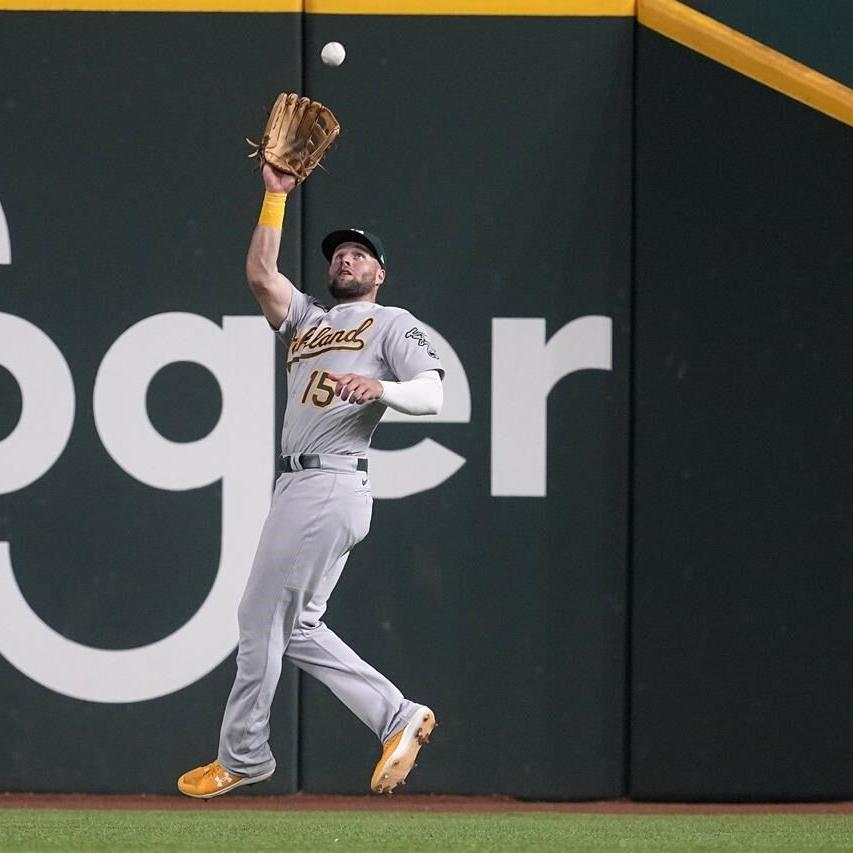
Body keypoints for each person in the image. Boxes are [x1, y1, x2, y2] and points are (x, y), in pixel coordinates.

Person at [177, 161, 443, 799]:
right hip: (302, 488)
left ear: (380, 274)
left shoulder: (390, 322)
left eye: (360, 255)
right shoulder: (309, 321)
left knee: (257, 618)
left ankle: (242, 754)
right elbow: (260, 275)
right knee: (295, 628)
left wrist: (382, 386)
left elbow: (433, 394)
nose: (347, 259)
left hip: (329, 481)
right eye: (340, 254)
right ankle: (396, 716)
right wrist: (274, 197)